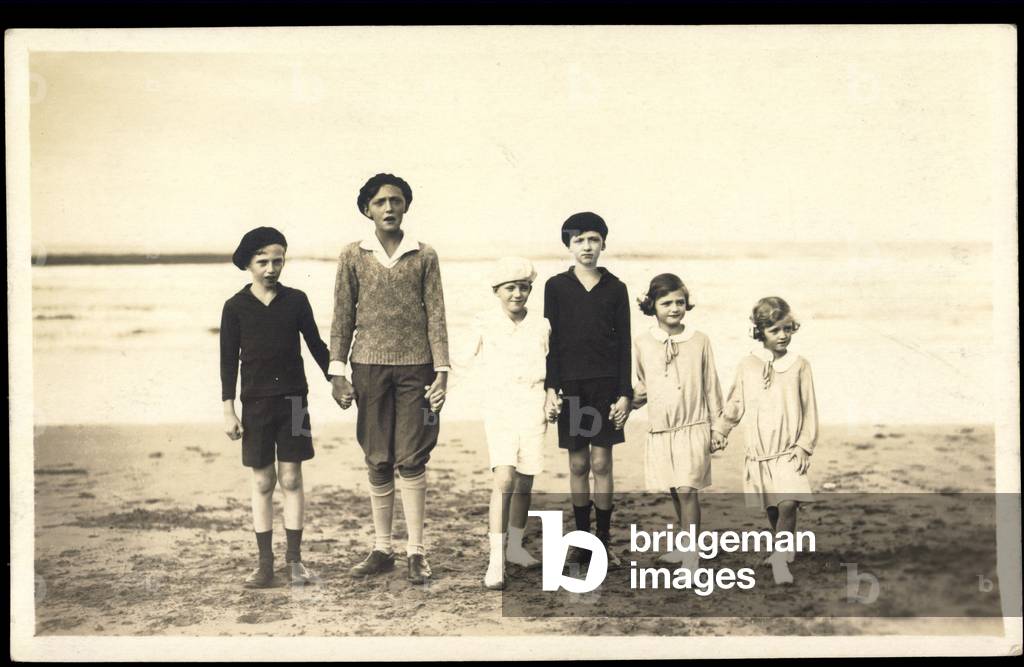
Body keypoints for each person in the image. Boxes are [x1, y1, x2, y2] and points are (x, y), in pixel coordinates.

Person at [329, 173, 449, 585]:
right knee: (378, 457)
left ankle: (416, 551)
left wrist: (443, 372)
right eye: (380, 202)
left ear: (406, 206)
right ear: (367, 209)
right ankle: (383, 548)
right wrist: (337, 372)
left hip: (417, 366)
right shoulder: (352, 255)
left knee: (412, 457)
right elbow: (342, 315)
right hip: (367, 367)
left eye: (396, 200)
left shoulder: (424, 255)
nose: (389, 208)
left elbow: (436, 315)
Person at [220, 226, 330, 588]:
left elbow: (316, 345)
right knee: (264, 481)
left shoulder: (296, 300)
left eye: (277, 261)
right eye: (262, 261)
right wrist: (228, 409)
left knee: (293, 478)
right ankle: (264, 564)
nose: (271, 268)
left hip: (296, 403)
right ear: (249, 263)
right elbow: (227, 361)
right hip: (255, 406)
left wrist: (339, 379)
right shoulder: (235, 307)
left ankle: (295, 561)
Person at [543, 212, 632, 569]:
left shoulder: (616, 287)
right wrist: (551, 388)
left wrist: (624, 393)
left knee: (601, 461)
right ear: (568, 245)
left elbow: (625, 344)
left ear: (604, 244)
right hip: (573, 388)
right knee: (578, 463)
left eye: (593, 239)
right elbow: (550, 343)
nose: (587, 246)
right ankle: (582, 541)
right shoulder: (556, 286)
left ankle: (604, 541)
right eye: (579, 240)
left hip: (605, 387)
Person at [714, 297, 819, 585]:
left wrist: (803, 445)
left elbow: (810, 409)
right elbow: (735, 403)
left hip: (788, 450)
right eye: (775, 330)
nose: (783, 335)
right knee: (772, 507)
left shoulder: (800, 366)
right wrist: (721, 430)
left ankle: (780, 558)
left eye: (787, 329)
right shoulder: (748, 365)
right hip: (759, 453)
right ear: (761, 332)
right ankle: (783, 548)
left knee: (787, 504)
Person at [463, 257, 550, 590]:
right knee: (504, 479)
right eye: (510, 288)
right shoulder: (484, 322)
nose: (517, 294)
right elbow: (461, 361)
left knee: (526, 480)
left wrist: (554, 396)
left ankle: (515, 546)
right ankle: (496, 560)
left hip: (532, 406)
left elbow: (551, 367)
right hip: (499, 407)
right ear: (496, 291)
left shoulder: (542, 325)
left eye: (523, 287)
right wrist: (438, 390)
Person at [632, 274, 725, 572]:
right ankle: (684, 546)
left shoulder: (699, 341)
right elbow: (644, 387)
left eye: (679, 302)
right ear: (652, 305)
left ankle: (692, 557)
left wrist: (718, 427)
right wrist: (622, 406)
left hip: (693, 426)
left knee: (687, 489)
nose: (674, 308)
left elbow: (712, 385)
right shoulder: (643, 342)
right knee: (674, 488)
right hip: (661, 430)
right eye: (666, 302)